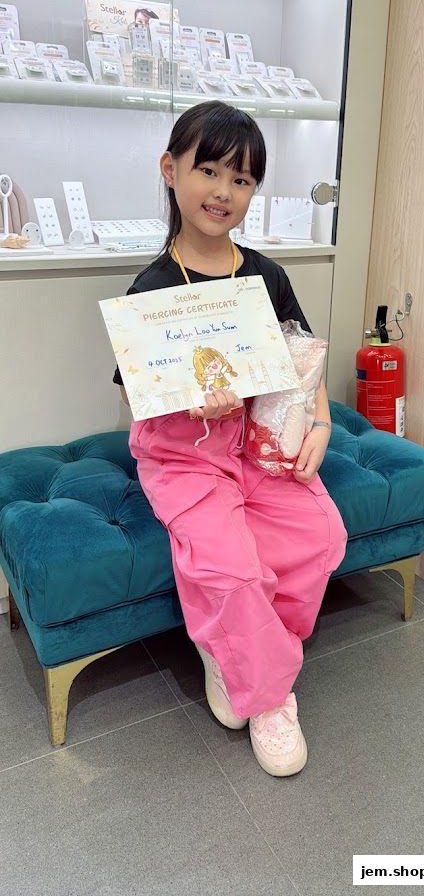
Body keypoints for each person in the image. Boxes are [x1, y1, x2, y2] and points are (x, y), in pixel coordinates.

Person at [113, 100, 347, 777]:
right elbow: (135, 391)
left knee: (319, 535)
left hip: (255, 444)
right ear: (171, 170)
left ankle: (234, 649)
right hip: (183, 455)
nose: (223, 191)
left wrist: (323, 423)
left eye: (241, 180)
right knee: (233, 569)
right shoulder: (152, 287)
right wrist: (190, 395)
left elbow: (302, 362)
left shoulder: (267, 275)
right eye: (208, 171)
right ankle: (269, 696)